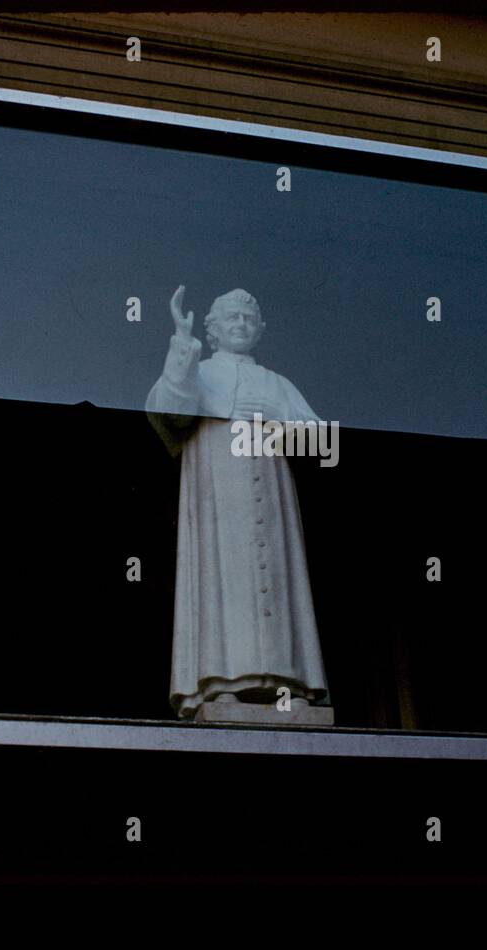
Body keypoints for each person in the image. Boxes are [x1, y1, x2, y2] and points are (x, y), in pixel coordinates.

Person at [146, 285, 330, 720]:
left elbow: (325, 441)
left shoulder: (277, 383)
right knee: (222, 577)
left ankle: (291, 683)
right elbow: (169, 412)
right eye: (232, 319)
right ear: (212, 331)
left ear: (261, 330)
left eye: (249, 320)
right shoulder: (200, 370)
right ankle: (221, 681)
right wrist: (181, 347)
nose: (241, 326)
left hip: (273, 498)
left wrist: (276, 420)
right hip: (220, 495)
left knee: (281, 581)